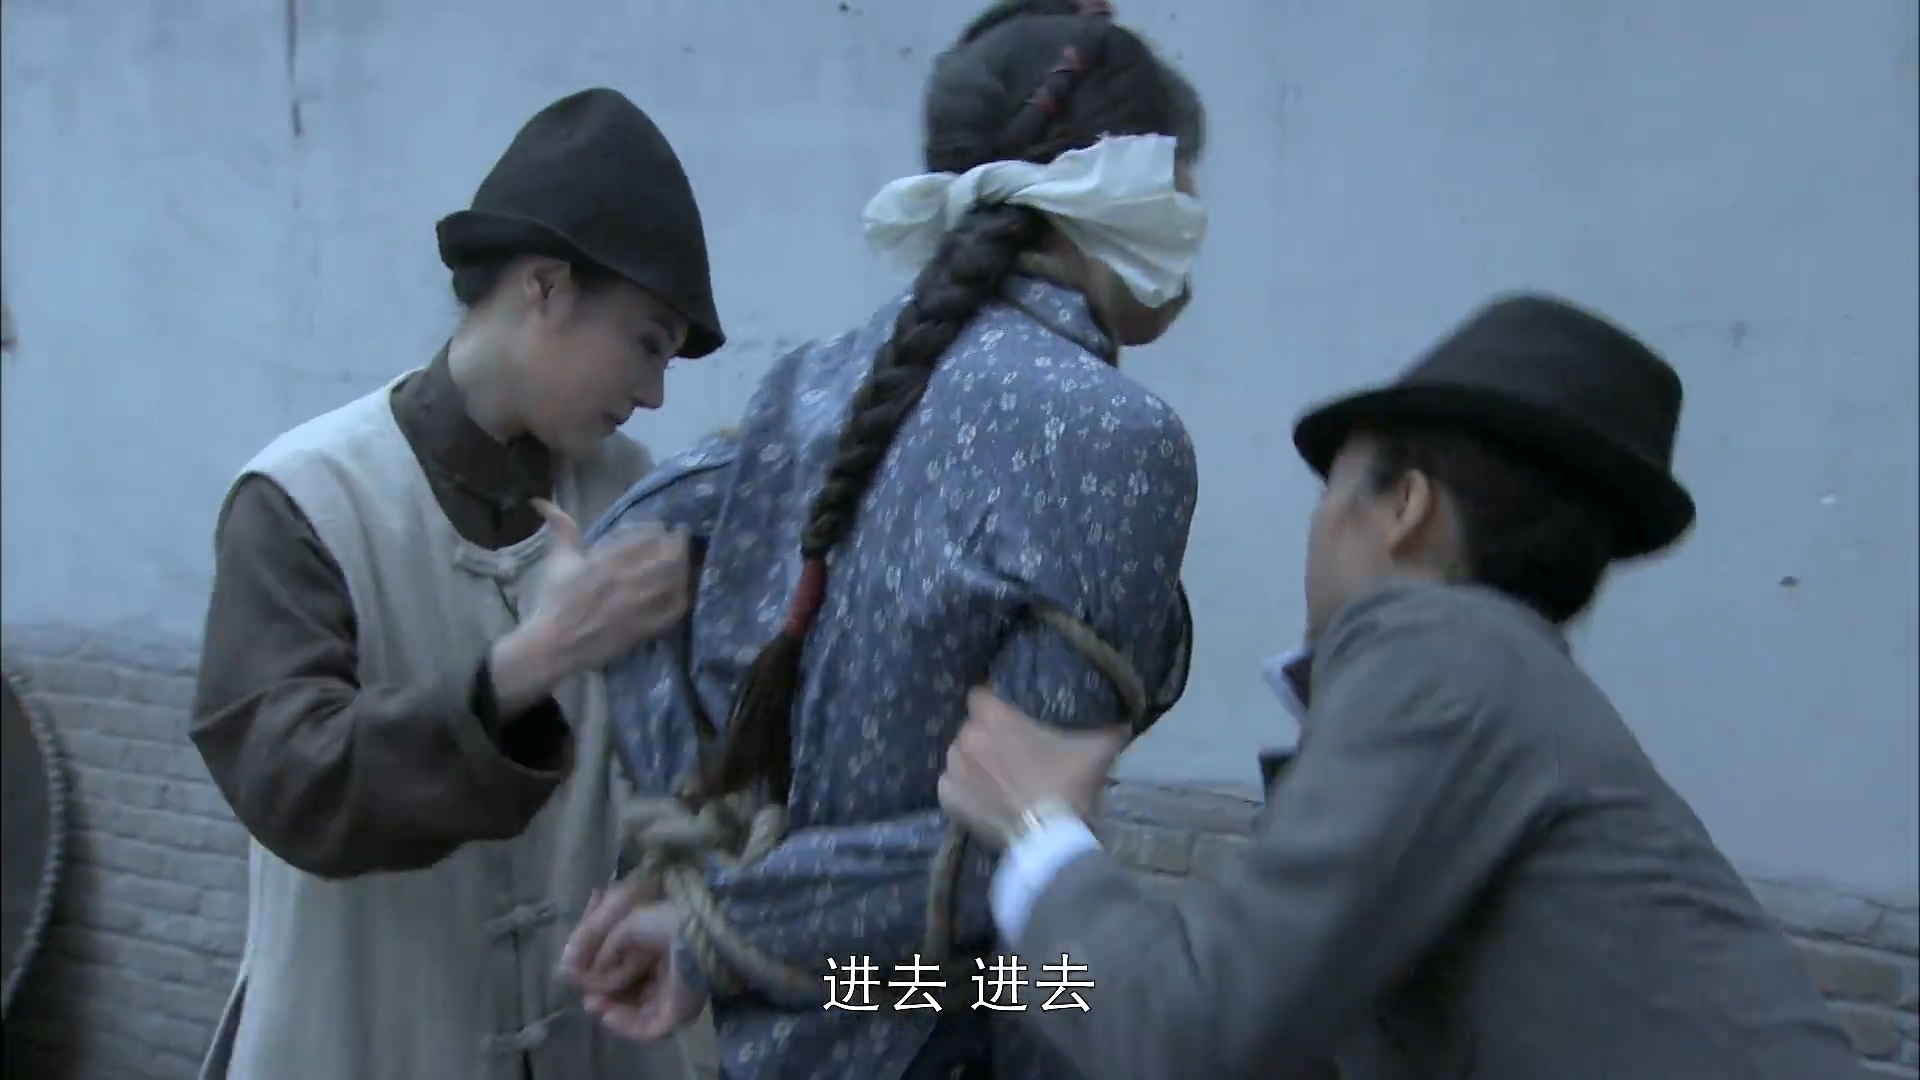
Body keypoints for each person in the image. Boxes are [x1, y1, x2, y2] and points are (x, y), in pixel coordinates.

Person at [935, 293, 1870, 1079]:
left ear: (1405, 508)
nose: (1315, 533)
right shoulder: (1501, 684)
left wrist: (1038, 825)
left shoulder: (1439, 656)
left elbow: (1192, 1033)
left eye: (1331, 493)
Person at [554, 3, 1208, 1077]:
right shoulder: (1113, 433)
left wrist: (704, 864)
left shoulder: (812, 381)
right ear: (1135, 181)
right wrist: (711, 918)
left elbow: (627, 546)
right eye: (1187, 179)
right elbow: (1007, 837)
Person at [188, 88, 725, 1080]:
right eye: (647, 341)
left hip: (587, 1039)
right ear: (546, 287)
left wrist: (664, 875)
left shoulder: (629, 493)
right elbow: (293, 780)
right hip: (360, 1041)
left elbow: (688, 755)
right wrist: (535, 659)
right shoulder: (305, 498)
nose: (654, 391)